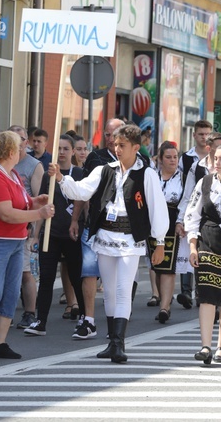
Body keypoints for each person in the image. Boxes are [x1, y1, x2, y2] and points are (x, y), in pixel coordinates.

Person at [52, 124, 168, 363]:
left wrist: (159, 242)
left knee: (123, 289)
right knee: (110, 293)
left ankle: (119, 343)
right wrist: (62, 178)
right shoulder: (105, 170)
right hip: (106, 235)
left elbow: (157, 209)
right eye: (115, 144)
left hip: (130, 238)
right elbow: (82, 191)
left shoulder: (146, 174)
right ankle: (112, 340)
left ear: (136, 147)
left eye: (122, 145)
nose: (117, 149)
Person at [0, 131, 54, 360]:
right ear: (10, 151)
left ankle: (0, 343)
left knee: (10, 292)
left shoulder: (13, 174)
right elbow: (5, 213)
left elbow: (19, 203)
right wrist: (38, 212)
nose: (23, 150)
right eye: (19, 147)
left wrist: (35, 201)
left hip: (15, 241)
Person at [185, 141, 221, 363]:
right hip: (208, 241)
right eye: (215, 158)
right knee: (207, 294)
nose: (216, 163)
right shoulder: (205, 182)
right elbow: (192, 214)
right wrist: (192, 245)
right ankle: (206, 346)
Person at [70, 117, 124, 341]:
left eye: (116, 134)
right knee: (89, 270)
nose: (111, 139)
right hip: (95, 225)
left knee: (118, 279)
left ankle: (119, 322)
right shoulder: (95, 158)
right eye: (108, 135)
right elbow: (84, 191)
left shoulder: (141, 160)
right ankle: (89, 320)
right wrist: (75, 219)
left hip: (123, 231)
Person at [24, 135, 84, 336]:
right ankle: (41, 321)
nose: (62, 152)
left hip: (72, 234)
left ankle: (85, 316)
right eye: (59, 148)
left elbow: (82, 201)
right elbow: (43, 203)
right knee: (47, 277)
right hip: (51, 232)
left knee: (77, 277)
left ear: (73, 151)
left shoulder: (79, 173)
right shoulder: (48, 175)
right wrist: (36, 234)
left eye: (66, 148)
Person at [175, 120, 214, 309]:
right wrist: (181, 217)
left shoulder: (218, 158)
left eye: (207, 134)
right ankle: (185, 291)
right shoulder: (187, 159)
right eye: (201, 134)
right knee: (188, 248)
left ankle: (201, 292)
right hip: (192, 207)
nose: (204, 137)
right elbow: (186, 188)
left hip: (210, 214)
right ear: (194, 135)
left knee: (203, 252)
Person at [8, 125, 44, 329]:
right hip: (5, 225)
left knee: (25, 271)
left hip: (25, 226)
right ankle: (5, 312)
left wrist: (36, 233)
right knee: (6, 271)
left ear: (26, 142)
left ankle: (30, 312)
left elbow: (39, 200)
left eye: (21, 138)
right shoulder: (2, 163)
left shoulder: (33, 165)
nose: (18, 142)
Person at [150, 142, 182, 324]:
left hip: (172, 220)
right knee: (157, 266)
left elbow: (186, 200)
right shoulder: (152, 176)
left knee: (169, 266)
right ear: (160, 159)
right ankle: (164, 301)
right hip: (153, 221)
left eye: (175, 157)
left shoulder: (183, 178)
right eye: (168, 157)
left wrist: (181, 221)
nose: (172, 160)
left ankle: (165, 307)